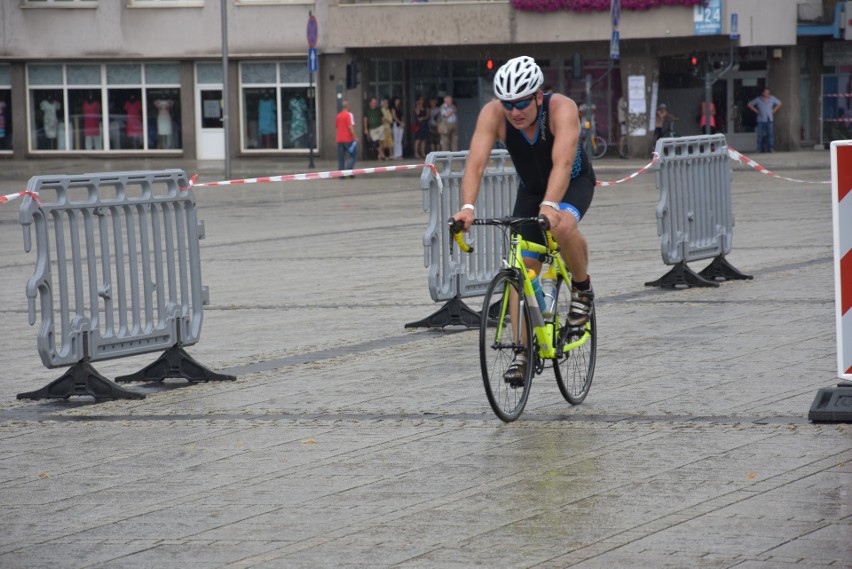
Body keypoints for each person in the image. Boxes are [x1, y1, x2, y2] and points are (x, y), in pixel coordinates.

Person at [451, 56, 596, 382]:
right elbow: (475, 163)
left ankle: (582, 289)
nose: (514, 111)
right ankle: (521, 351)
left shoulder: (562, 109)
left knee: (562, 226)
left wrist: (550, 206)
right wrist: (467, 208)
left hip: (572, 183)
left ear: (538, 97)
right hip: (531, 190)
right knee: (522, 267)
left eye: (521, 103)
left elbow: (562, 162)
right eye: (507, 104)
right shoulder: (493, 115)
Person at [747, 88, 782, 153]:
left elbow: (779, 103)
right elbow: (749, 104)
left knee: (770, 134)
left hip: (769, 119)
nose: (767, 94)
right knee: (760, 135)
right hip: (761, 119)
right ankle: (759, 148)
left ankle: (770, 148)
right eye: (766, 92)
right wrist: (756, 111)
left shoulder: (772, 98)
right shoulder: (758, 99)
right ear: (762, 93)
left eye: (768, 92)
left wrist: (774, 110)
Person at [335, 100, 357, 175]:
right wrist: (355, 136)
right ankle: (347, 171)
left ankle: (341, 174)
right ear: (347, 106)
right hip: (348, 139)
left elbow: (337, 128)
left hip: (340, 139)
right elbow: (350, 127)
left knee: (341, 158)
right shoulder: (347, 115)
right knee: (353, 156)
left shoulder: (338, 116)